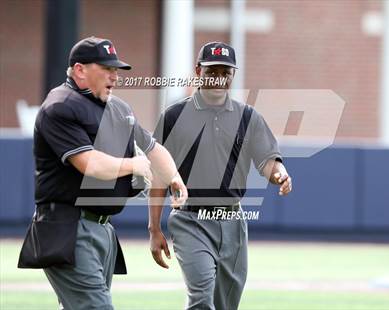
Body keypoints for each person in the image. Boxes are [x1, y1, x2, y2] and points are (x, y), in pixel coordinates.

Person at [18, 36, 187, 310]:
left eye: (116, 70)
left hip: (101, 228)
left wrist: (175, 178)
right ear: (80, 69)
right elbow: (90, 165)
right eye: (106, 68)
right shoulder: (61, 105)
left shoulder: (117, 107)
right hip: (67, 226)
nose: (114, 76)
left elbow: (153, 148)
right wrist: (134, 165)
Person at [148, 41, 292, 310]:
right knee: (201, 297)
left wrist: (281, 174)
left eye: (225, 72)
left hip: (232, 221)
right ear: (198, 71)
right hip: (190, 219)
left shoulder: (248, 117)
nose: (219, 78)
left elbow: (267, 161)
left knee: (226, 304)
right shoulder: (174, 116)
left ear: (232, 75)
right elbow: (158, 177)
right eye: (212, 70)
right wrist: (154, 228)